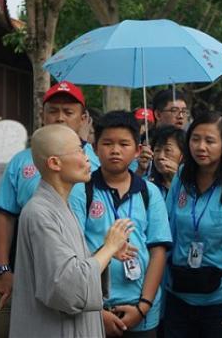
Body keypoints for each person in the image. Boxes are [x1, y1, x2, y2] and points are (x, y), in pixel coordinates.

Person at [0, 81, 100, 338]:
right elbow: (5, 216)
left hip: (81, 277)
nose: (60, 117)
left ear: (83, 117)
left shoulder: (94, 162)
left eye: (68, 112)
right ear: (42, 114)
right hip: (30, 271)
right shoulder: (21, 161)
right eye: (53, 110)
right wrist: (3, 269)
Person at [9, 124, 133, 338]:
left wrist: (106, 252)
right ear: (54, 163)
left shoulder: (62, 206)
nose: (87, 158)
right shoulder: (40, 213)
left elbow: (71, 268)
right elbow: (68, 287)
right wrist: (109, 247)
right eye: (79, 151)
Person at [70, 111, 172, 337]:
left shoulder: (149, 192)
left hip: (142, 313)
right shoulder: (81, 190)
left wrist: (143, 307)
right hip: (93, 310)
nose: (115, 150)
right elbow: (73, 252)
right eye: (107, 143)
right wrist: (96, 310)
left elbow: (158, 252)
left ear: (137, 150)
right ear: (95, 148)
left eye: (124, 144)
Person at [164, 111, 222, 338]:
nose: (201, 147)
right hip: (178, 293)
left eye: (210, 141)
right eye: (195, 139)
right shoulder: (182, 176)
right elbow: (167, 227)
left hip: (220, 298)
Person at [142, 125, 186, 198]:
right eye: (157, 150)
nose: (160, 156)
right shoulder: (147, 185)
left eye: (168, 150)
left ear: (183, 154)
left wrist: (178, 177)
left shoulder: (192, 185)